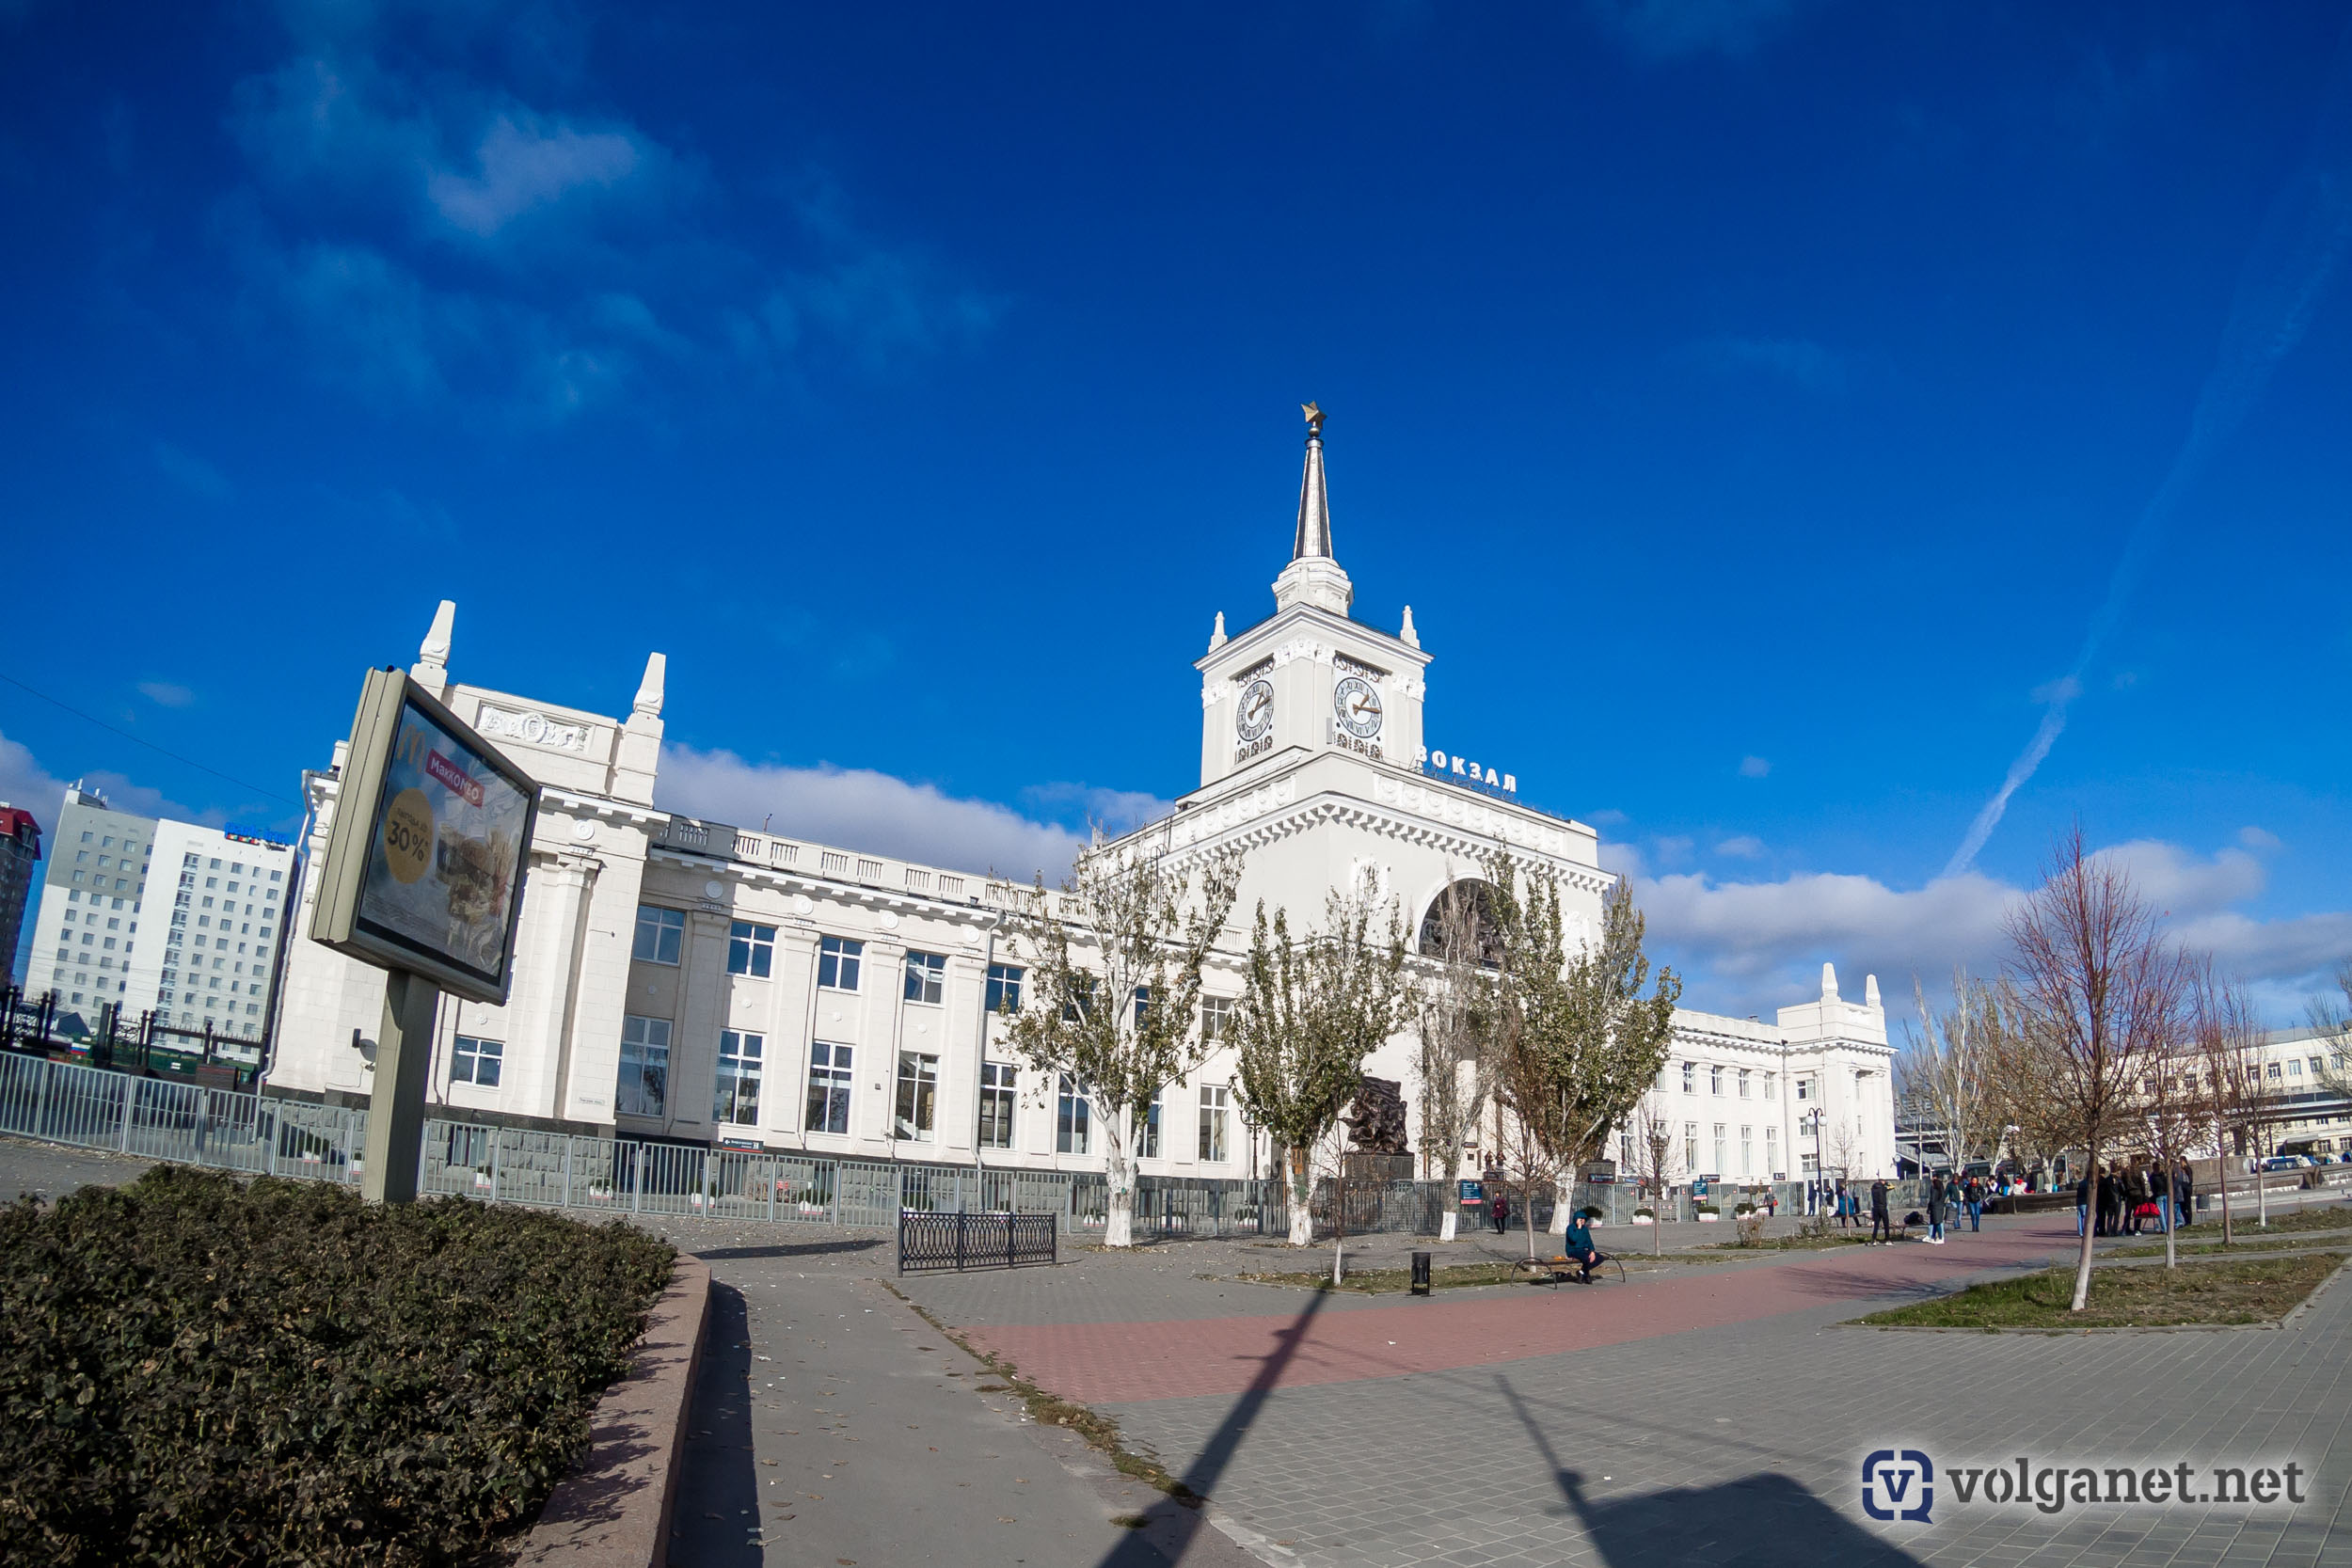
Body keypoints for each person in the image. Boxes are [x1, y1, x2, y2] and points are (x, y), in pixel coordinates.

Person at [1563, 1212, 1605, 1282]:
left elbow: (1589, 1241)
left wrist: (1592, 1251)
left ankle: (1582, 1272)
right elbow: (1574, 1239)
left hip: (1583, 1250)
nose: (1583, 1221)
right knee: (1586, 1259)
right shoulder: (1570, 1228)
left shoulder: (1585, 1229)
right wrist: (1578, 1228)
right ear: (1576, 1219)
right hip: (1573, 1250)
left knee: (1600, 1258)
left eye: (1584, 1219)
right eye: (1581, 1219)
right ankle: (1586, 1274)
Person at [1869, 1177, 1892, 1243]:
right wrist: (1887, 1183)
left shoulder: (1873, 1188)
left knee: (1876, 1225)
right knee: (1886, 1224)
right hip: (1882, 1208)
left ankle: (1874, 1239)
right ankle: (1887, 1239)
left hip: (1875, 1208)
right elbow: (1892, 1187)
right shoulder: (1883, 1188)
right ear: (1882, 1181)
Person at [1925, 1176, 1947, 1243]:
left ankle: (1940, 1237)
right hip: (1940, 1207)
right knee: (1935, 1223)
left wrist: (1929, 1207)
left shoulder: (1934, 1189)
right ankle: (1931, 1236)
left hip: (1935, 1208)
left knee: (1938, 1223)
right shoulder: (1941, 1189)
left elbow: (1932, 1199)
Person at [2074, 1170, 2091, 1236]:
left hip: (2079, 1202)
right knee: (2085, 1217)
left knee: (2079, 1218)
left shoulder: (2081, 1183)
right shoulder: (2088, 1183)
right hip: (2085, 1202)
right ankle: (2086, 1232)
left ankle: (2080, 1232)